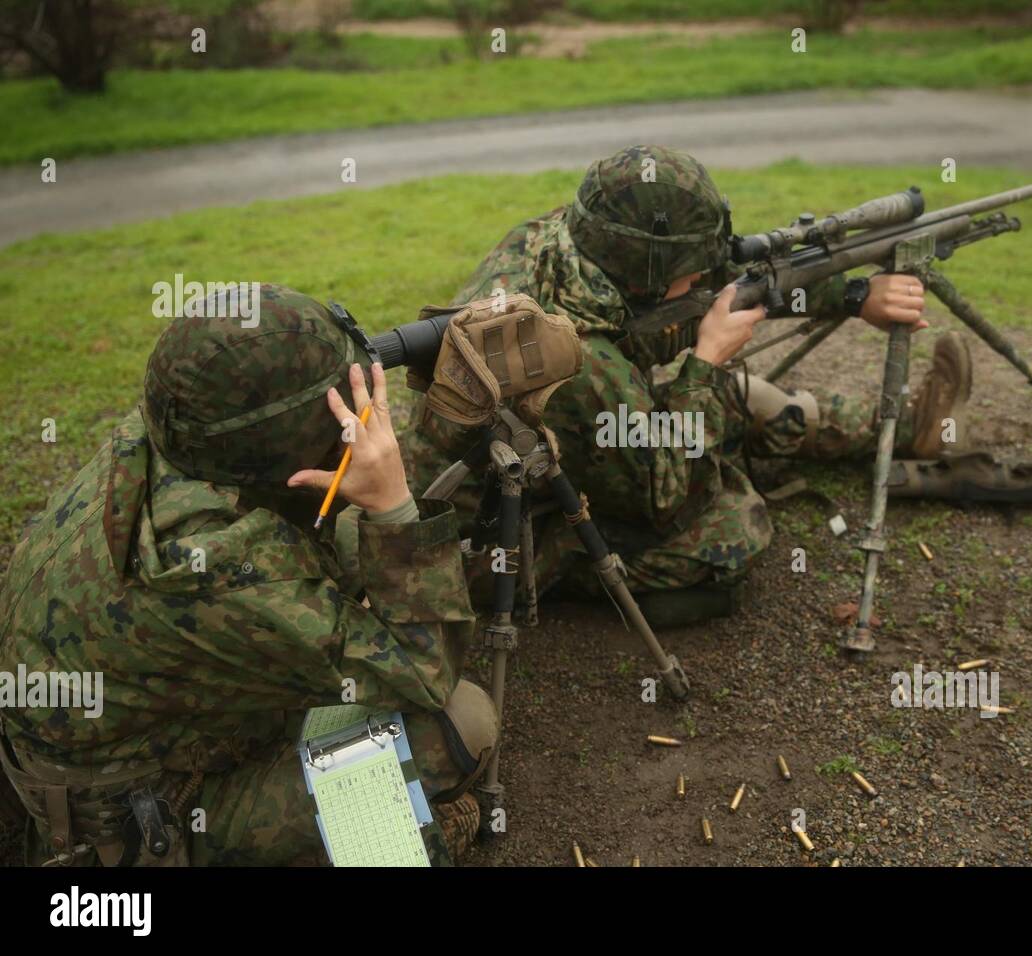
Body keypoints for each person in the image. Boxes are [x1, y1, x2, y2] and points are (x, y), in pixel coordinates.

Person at [0, 285, 497, 866]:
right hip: (136, 821)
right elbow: (425, 669)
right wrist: (393, 506)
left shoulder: (177, 434)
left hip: (92, 738)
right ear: (295, 458)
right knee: (460, 721)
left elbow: (314, 538)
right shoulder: (215, 567)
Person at [405, 145, 973, 625]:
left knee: (733, 400)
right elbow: (664, 499)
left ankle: (896, 428)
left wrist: (851, 296)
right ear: (650, 271)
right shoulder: (576, 365)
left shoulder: (561, 243)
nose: (704, 275)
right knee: (734, 528)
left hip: (539, 448)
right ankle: (577, 573)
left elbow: (714, 287)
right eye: (691, 266)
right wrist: (705, 361)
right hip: (488, 535)